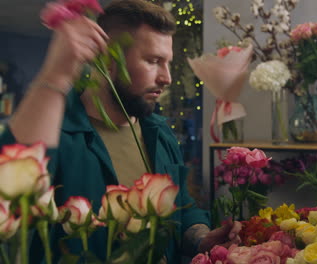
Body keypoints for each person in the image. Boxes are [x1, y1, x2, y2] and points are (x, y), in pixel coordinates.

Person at [0, 0, 241, 262]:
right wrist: (56, 73)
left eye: (168, 63)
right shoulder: (56, 134)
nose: (167, 78)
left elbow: (182, 206)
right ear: (107, 60)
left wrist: (200, 237)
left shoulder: (161, 133)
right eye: (153, 61)